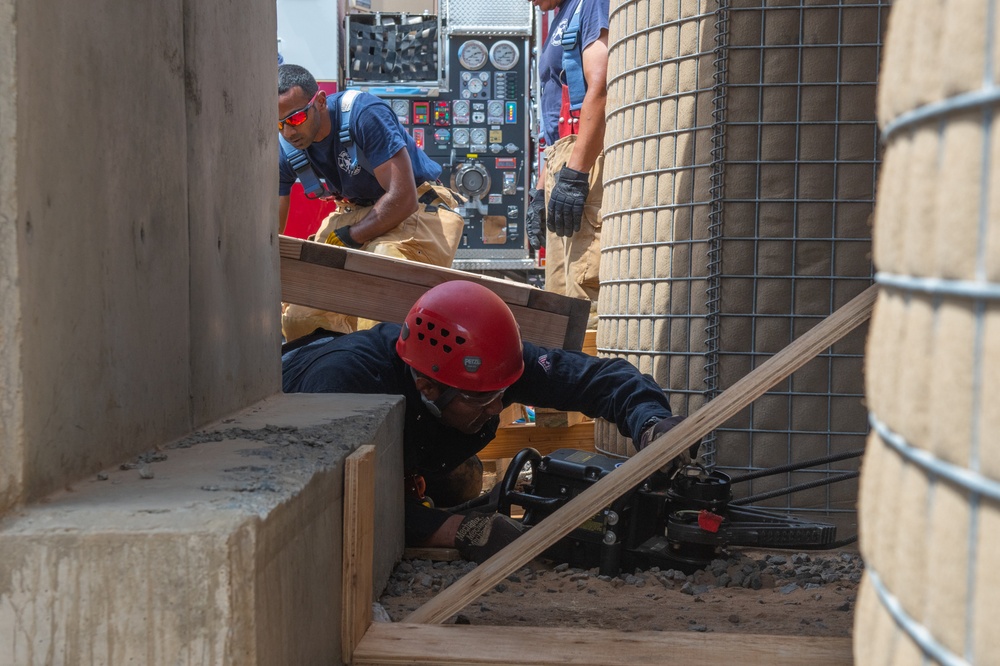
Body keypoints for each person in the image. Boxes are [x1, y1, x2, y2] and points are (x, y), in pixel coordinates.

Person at [282, 280, 687, 563]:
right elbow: (338, 506)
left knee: (462, 479)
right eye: (481, 400)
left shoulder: (482, 367)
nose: (497, 407)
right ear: (427, 386)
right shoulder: (343, 387)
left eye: (502, 394)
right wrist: (466, 530)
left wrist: (652, 423)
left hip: (414, 451)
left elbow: (596, 380)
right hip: (307, 436)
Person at [277, 64, 466, 341]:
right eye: (279, 124)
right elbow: (273, 230)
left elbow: (403, 199)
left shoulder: (364, 114)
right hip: (354, 210)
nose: (288, 133)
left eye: (294, 119)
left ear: (318, 101)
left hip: (415, 209)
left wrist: (353, 236)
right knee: (299, 319)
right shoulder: (286, 148)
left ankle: (383, 372)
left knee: (380, 287)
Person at [525, 0, 609, 330]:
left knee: (583, 289)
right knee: (559, 299)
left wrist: (576, 174)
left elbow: (600, 86)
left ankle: (593, 375)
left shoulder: (590, 4)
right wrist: (540, 191)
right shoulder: (559, 16)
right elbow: (553, 128)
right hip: (562, 155)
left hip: (584, 155)